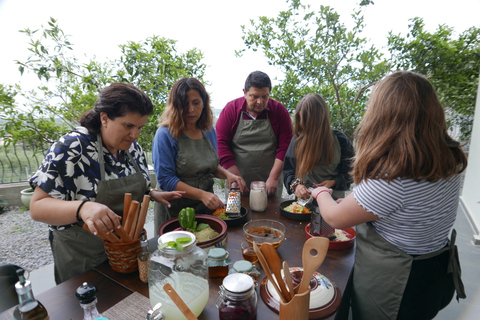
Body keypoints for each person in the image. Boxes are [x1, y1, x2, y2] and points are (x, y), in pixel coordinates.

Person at [311, 71, 467, 320]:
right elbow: (410, 209)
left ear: (385, 115)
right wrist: (356, 204)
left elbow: (336, 218)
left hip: (400, 283)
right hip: (436, 270)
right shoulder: (447, 157)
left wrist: (320, 192)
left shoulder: (394, 174)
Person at [29, 83, 183, 284]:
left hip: (128, 254)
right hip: (85, 257)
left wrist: (151, 193)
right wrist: (84, 208)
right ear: (104, 118)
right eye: (128, 126)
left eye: (139, 127)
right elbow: (37, 207)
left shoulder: (132, 148)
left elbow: (134, 186)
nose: (135, 135)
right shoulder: (72, 148)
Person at [152, 78, 246, 233]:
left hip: (205, 206)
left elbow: (211, 165)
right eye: (184, 103)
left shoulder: (208, 130)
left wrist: (228, 175)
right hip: (176, 210)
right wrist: (202, 194)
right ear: (175, 105)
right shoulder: (165, 134)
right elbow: (165, 179)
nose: (190, 109)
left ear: (204, 103)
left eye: (196, 103)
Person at [216, 70, 293, 197]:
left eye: (265, 96)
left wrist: (274, 177)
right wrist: (235, 177)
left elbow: (285, 146)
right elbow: (221, 145)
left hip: (269, 183)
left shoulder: (279, 111)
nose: (260, 102)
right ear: (245, 92)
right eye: (254, 96)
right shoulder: (231, 110)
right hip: (237, 180)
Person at [283, 93, 354, 201]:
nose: (303, 125)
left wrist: (334, 182)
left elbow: (351, 173)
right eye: (301, 120)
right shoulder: (297, 140)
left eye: (307, 122)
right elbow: (288, 171)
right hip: (303, 203)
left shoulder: (340, 140)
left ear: (320, 120)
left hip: (333, 202)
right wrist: (296, 185)